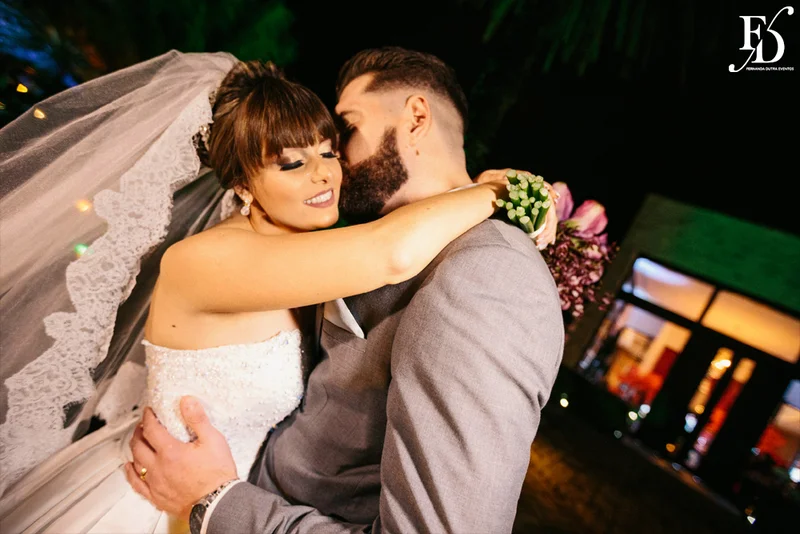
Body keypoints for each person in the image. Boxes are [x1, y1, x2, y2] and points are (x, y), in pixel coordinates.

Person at [0, 51, 557, 533]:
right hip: (150, 500)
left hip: (214, 504)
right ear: (243, 184)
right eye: (293, 162)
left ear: (415, 117)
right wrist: (507, 189)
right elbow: (392, 252)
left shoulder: (331, 255)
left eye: (333, 148)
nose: (327, 174)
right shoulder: (209, 259)